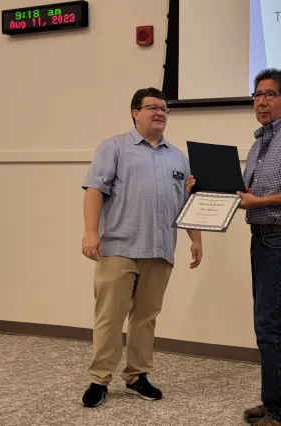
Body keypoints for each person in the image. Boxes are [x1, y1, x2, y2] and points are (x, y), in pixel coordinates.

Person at [186, 68, 281, 426]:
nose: (261, 101)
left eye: (270, 95)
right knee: (270, 321)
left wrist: (258, 202)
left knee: (270, 323)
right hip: (263, 236)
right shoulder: (260, 142)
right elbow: (242, 195)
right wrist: (201, 188)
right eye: (257, 94)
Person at [80, 87, 203, 408]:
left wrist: (196, 239)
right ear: (135, 113)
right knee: (110, 316)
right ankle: (99, 379)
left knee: (146, 318)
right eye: (152, 108)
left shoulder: (178, 157)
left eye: (164, 108)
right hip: (119, 248)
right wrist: (90, 231)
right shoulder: (115, 148)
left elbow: (189, 202)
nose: (160, 113)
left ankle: (137, 375)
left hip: (161, 249)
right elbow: (95, 189)